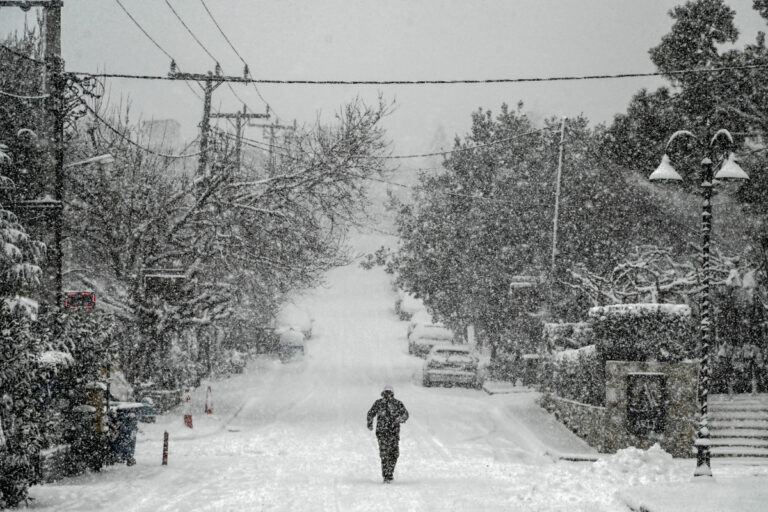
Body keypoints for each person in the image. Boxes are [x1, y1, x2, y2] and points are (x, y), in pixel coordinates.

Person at [367, 385, 409, 483]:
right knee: (384, 454)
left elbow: (406, 414)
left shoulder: (398, 403)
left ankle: (390, 472)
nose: (387, 394)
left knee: (394, 454)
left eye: (389, 392)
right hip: (382, 433)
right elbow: (370, 413)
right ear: (383, 393)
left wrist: (401, 419)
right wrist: (369, 423)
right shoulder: (378, 403)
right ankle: (386, 476)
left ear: (392, 393)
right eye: (386, 392)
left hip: (394, 433)